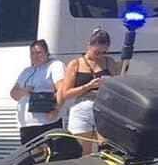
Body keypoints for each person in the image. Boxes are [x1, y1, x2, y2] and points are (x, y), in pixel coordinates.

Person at [58, 27, 123, 155]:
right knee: (81, 151)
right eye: (96, 52)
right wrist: (88, 86)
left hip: (103, 107)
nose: (100, 55)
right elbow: (65, 93)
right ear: (89, 45)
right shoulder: (75, 64)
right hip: (81, 107)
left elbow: (117, 87)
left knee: (106, 149)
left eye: (103, 52)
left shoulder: (109, 62)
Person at [10, 39, 65, 145]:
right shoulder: (27, 71)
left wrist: (56, 110)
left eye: (39, 53)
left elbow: (62, 90)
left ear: (47, 53)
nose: (35, 56)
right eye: (32, 53)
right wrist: (23, 91)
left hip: (46, 123)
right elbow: (13, 93)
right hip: (26, 126)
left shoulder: (55, 65)